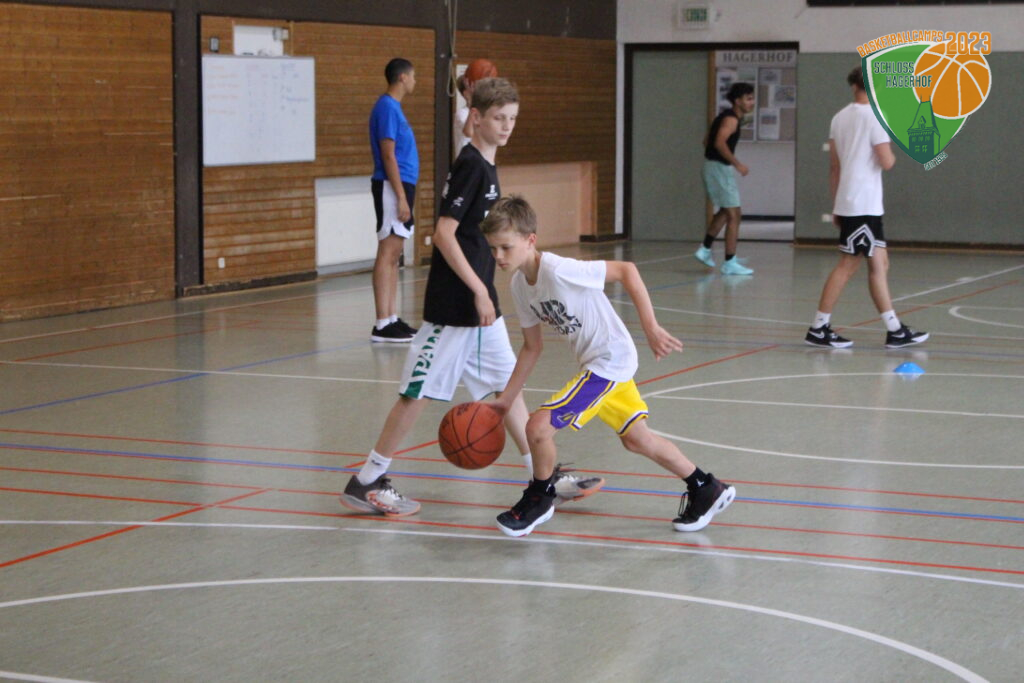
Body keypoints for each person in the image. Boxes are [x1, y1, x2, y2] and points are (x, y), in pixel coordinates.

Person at [341, 78, 604, 517]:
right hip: (454, 308)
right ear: (476, 118)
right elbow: (443, 234)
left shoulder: (485, 165)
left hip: (483, 311)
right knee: (416, 393)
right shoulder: (471, 166)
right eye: (499, 118)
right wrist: (480, 289)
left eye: (512, 118)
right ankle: (367, 479)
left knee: (508, 392)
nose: (507, 126)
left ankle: (543, 477)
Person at [481, 195, 736, 537]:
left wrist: (651, 328)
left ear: (530, 240)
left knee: (537, 428)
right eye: (493, 248)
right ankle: (706, 487)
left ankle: (540, 499)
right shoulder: (519, 286)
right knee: (637, 440)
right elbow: (531, 347)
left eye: (506, 247)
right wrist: (506, 399)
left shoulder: (558, 270)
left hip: (609, 361)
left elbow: (627, 271)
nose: (498, 256)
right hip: (600, 363)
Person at [804, 66, 929, 349]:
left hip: (854, 201)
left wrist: (837, 204)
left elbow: (834, 167)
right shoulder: (875, 117)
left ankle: (895, 330)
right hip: (864, 203)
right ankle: (819, 327)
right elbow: (887, 161)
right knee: (848, 265)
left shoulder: (839, 118)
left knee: (880, 263)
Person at [368, 58, 419, 343]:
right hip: (391, 186)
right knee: (387, 252)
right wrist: (400, 196)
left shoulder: (394, 108)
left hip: (401, 184)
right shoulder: (387, 107)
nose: (415, 81)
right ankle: (381, 323)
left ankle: (391, 317)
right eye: (413, 76)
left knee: (395, 253)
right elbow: (388, 154)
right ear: (402, 77)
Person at [694, 82, 756, 276]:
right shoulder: (731, 120)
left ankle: (705, 249)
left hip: (715, 167)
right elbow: (719, 143)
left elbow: (706, 140)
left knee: (726, 210)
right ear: (737, 101)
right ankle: (730, 262)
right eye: (748, 99)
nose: (752, 102)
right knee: (734, 215)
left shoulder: (725, 117)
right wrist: (738, 164)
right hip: (718, 168)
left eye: (752, 98)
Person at [452, 74, 475, 155]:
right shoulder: (461, 113)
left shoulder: (482, 114)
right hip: (465, 161)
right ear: (466, 94)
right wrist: (472, 103)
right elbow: (469, 132)